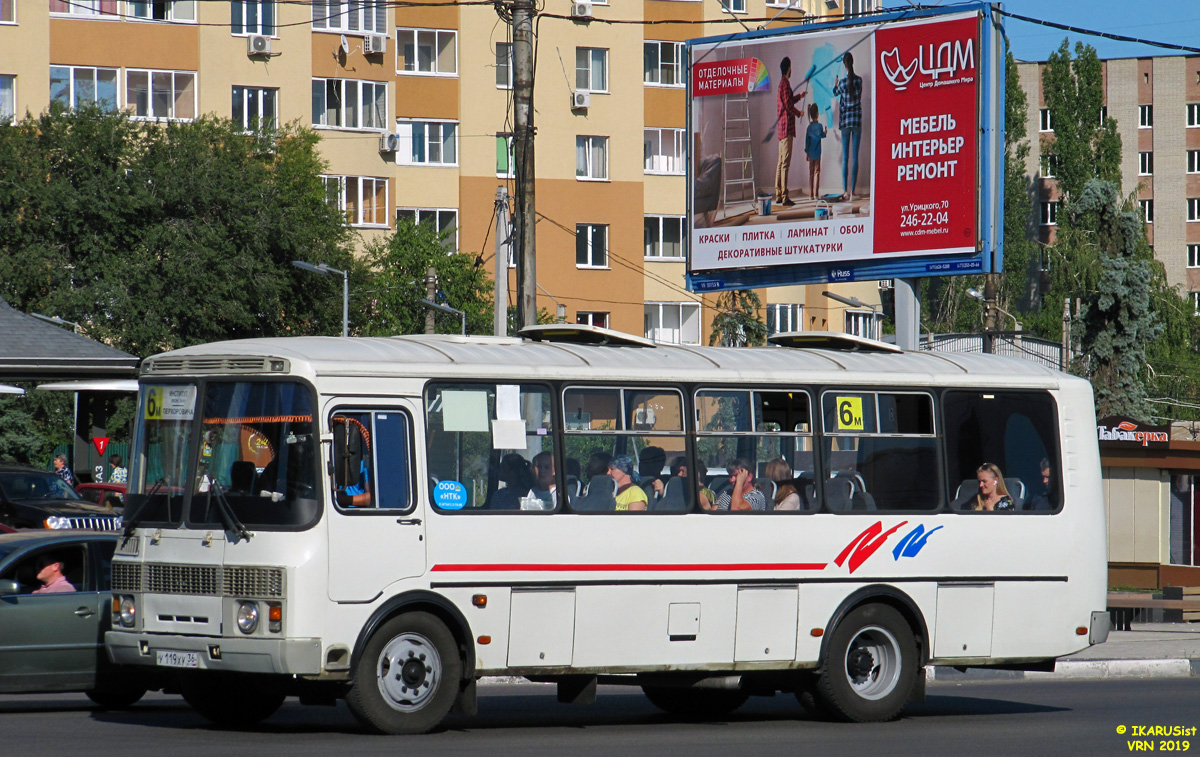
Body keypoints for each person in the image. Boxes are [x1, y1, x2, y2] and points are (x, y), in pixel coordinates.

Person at [774, 56, 808, 207]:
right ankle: (784, 196)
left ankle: (778, 194)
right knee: (785, 163)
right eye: (791, 67)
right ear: (788, 68)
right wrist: (798, 113)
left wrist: (799, 97)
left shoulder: (782, 84)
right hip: (786, 128)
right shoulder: (785, 83)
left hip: (782, 128)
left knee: (781, 163)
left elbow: (788, 100)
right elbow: (788, 105)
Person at [833, 51, 863, 201]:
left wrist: (835, 83)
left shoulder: (843, 83)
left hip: (845, 123)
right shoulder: (859, 81)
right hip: (856, 121)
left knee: (845, 158)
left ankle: (845, 191)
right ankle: (853, 191)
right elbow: (859, 97)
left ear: (844, 65)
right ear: (853, 63)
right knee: (855, 157)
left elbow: (834, 92)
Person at [804, 102, 826, 200]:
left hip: (810, 153)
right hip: (818, 153)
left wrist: (807, 152)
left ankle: (810, 195)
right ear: (817, 114)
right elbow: (822, 135)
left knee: (811, 174)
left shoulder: (809, 128)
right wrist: (825, 132)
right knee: (817, 172)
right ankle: (816, 194)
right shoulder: (820, 126)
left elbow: (807, 141)